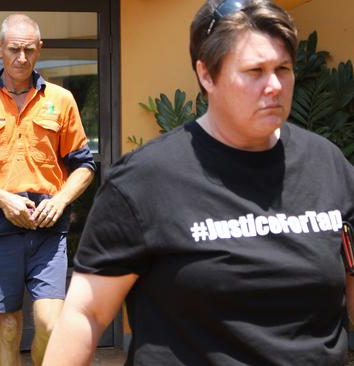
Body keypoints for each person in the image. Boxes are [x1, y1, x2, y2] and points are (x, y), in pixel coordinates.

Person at [44, 1, 354, 365]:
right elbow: (86, 314)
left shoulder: (327, 164)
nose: (274, 86)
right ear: (206, 75)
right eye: (255, 71)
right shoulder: (146, 179)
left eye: (283, 69)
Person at [0, 13, 95, 365]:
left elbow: (84, 166)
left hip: (47, 228)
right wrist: (1, 198)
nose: (22, 58)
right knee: (8, 330)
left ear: (40, 49)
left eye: (29, 50)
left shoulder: (61, 100)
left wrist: (60, 200)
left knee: (51, 326)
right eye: (14, 49)